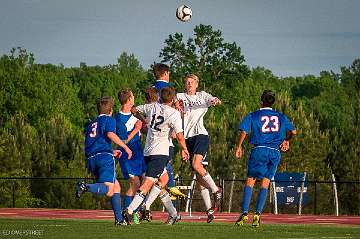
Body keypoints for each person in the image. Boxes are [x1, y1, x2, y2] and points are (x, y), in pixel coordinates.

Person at [122, 87, 190, 225]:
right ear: (172, 99)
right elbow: (180, 136)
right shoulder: (174, 113)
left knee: (163, 179)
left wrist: (145, 120)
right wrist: (185, 149)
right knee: (147, 183)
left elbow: (134, 110)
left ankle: (174, 214)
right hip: (160, 153)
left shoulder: (152, 106)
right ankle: (130, 210)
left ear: (160, 96)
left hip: (148, 151)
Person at [234, 90, 297, 227]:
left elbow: (244, 131)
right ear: (273, 102)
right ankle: (257, 214)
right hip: (275, 152)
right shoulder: (281, 116)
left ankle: (245, 213)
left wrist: (238, 146)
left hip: (259, 150)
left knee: (251, 180)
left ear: (261, 101)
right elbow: (294, 131)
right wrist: (287, 140)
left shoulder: (254, 115)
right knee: (265, 182)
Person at [76, 96, 132, 225]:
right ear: (111, 110)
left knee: (115, 186)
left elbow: (94, 144)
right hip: (104, 158)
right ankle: (86, 187)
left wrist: (111, 151)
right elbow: (110, 134)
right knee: (109, 189)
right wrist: (125, 147)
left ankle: (119, 220)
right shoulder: (109, 119)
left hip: (92, 158)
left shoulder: (92, 124)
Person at [176, 73, 222, 223]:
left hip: (201, 135)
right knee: (199, 176)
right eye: (187, 82)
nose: (189, 84)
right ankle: (209, 211)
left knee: (197, 165)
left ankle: (216, 190)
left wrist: (215, 101)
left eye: (192, 82)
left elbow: (212, 99)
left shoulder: (202, 95)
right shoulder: (180, 96)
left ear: (197, 84)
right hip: (187, 138)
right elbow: (168, 104)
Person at [152, 63, 185, 200]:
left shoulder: (152, 89)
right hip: (166, 131)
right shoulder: (168, 89)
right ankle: (171, 186)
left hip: (152, 131)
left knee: (156, 176)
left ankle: (172, 212)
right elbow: (173, 108)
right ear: (165, 74)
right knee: (164, 164)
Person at [115, 89, 146, 224]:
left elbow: (143, 126)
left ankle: (135, 211)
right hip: (127, 155)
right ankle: (128, 213)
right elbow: (123, 141)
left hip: (138, 153)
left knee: (145, 182)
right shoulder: (119, 119)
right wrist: (136, 129)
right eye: (133, 96)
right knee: (135, 183)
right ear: (129, 100)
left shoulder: (135, 115)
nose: (134, 98)